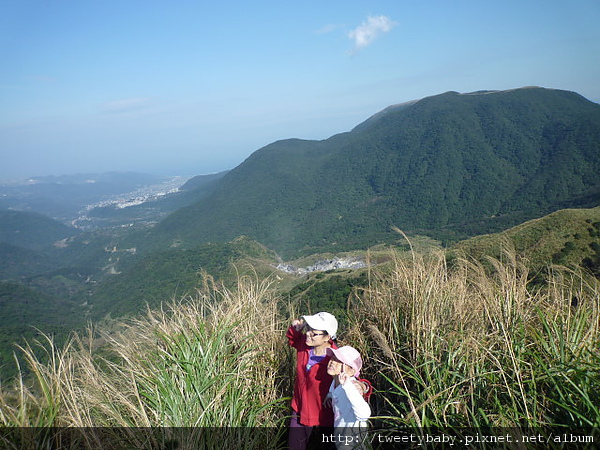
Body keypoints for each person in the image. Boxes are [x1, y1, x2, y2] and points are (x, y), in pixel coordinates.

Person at [287, 312, 372, 450]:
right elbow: (293, 340)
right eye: (307, 328)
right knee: (295, 446)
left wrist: (363, 386)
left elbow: (353, 375)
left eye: (314, 333)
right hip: (299, 406)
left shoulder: (336, 357)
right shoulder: (304, 344)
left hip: (325, 413)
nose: (308, 334)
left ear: (327, 337)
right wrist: (295, 329)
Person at [325, 346, 371, 449]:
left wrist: (350, 388)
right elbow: (334, 391)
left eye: (339, 361)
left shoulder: (350, 386)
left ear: (351, 371)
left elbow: (364, 414)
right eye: (332, 357)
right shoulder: (335, 381)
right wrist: (329, 396)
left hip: (354, 443)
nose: (332, 361)